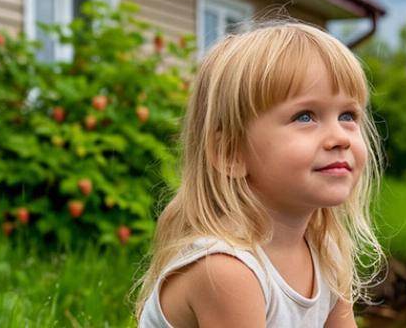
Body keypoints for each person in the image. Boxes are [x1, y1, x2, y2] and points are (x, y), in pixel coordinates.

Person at [133, 18, 386, 327]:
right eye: (305, 116)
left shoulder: (326, 251)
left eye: (348, 115)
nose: (340, 138)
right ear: (230, 153)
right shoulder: (226, 270)